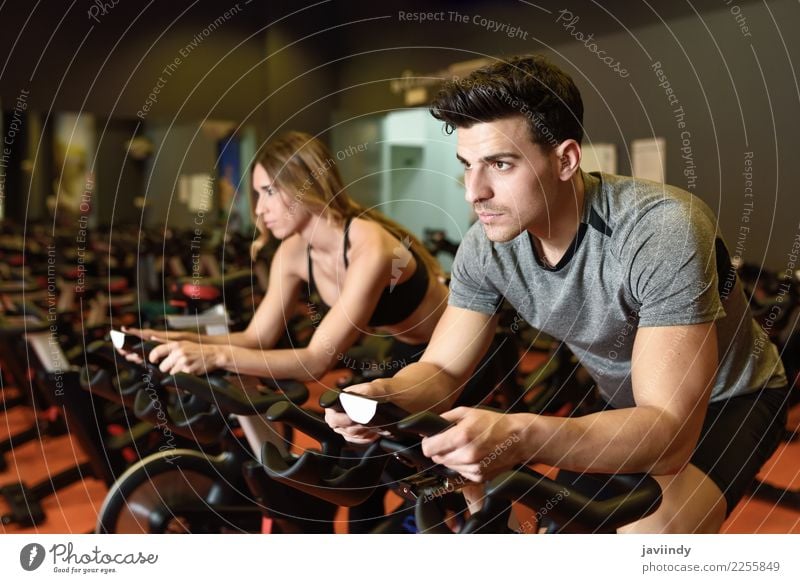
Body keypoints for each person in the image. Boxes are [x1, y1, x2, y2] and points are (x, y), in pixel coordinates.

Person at [325, 55, 789, 533]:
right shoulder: (485, 246)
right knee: (555, 529)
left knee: (643, 539)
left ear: (565, 160)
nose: (473, 192)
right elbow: (442, 369)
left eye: (500, 165)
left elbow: (668, 434)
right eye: (467, 166)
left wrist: (519, 434)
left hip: (733, 398)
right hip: (629, 405)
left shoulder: (661, 229)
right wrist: (388, 394)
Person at [123, 131, 447, 380]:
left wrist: (217, 357)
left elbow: (316, 362)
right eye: (256, 194)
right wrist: (175, 339)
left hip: (452, 351)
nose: (260, 210)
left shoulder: (368, 246)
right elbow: (257, 337)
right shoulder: (293, 253)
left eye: (269, 192)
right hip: (404, 348)